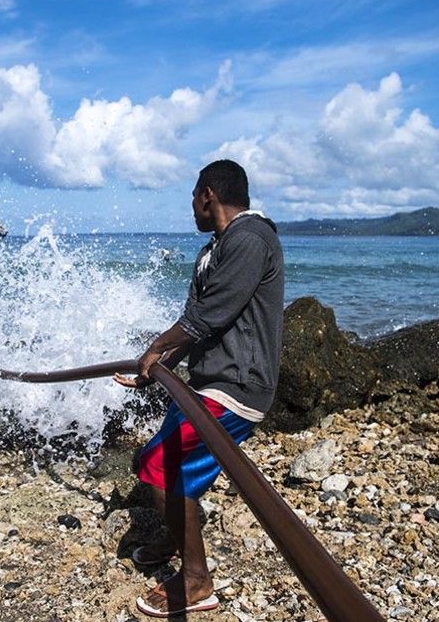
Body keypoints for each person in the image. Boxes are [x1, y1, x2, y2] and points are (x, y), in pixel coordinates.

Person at [114, 159, 284, 617]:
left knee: (155, 465)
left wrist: (155, 345)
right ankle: (175, 537)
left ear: (207, 194)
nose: (190, 207)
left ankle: (196, 582)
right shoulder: (214, 250)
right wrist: (156, 368)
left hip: (236, 388)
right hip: (205, 385)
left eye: (192, 197)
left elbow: (209, 315)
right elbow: (198, 326)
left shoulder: (251, 238)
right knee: (157, 462)